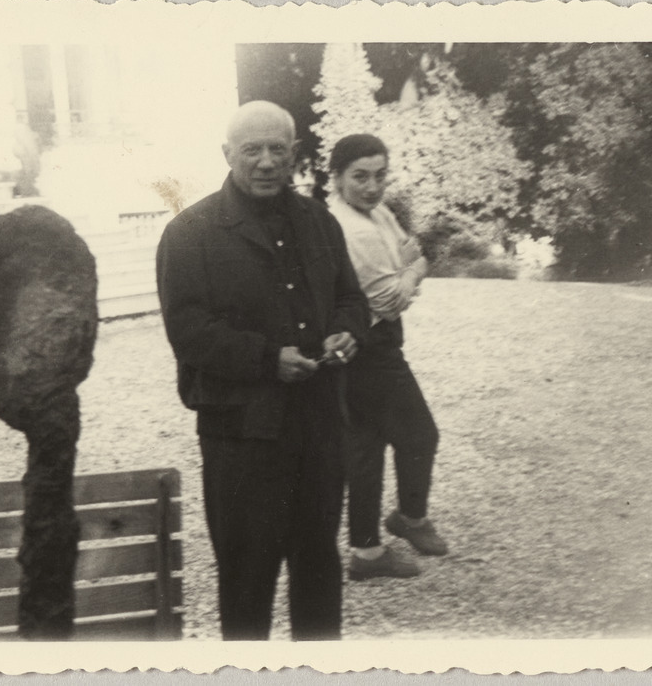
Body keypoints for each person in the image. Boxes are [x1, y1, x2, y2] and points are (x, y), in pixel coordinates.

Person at [156, 101, 369, 640]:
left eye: (278, 149)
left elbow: (351, 298)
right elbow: (189, 331)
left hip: (318, 428)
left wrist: (348, 331)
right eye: (252, 150)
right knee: (247, 586)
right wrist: (267, 359)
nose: (267, 162)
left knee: (318, 572)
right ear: (227, 154)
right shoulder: (190, 233)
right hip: (242, 438)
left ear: (294, 153)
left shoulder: (319, 221)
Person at [326, 134, 448, 582]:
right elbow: (388, 301)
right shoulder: (351, 227)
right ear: (336, 178)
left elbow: (416, 257)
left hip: (368, 342)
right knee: (420, 435)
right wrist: (410, 270)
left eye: (380, 175)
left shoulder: (376, 213)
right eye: (360, 176)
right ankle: (409, 519)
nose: (372, 186)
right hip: (370, 346)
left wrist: (408, 269)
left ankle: (368, 551)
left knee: (367, 447)